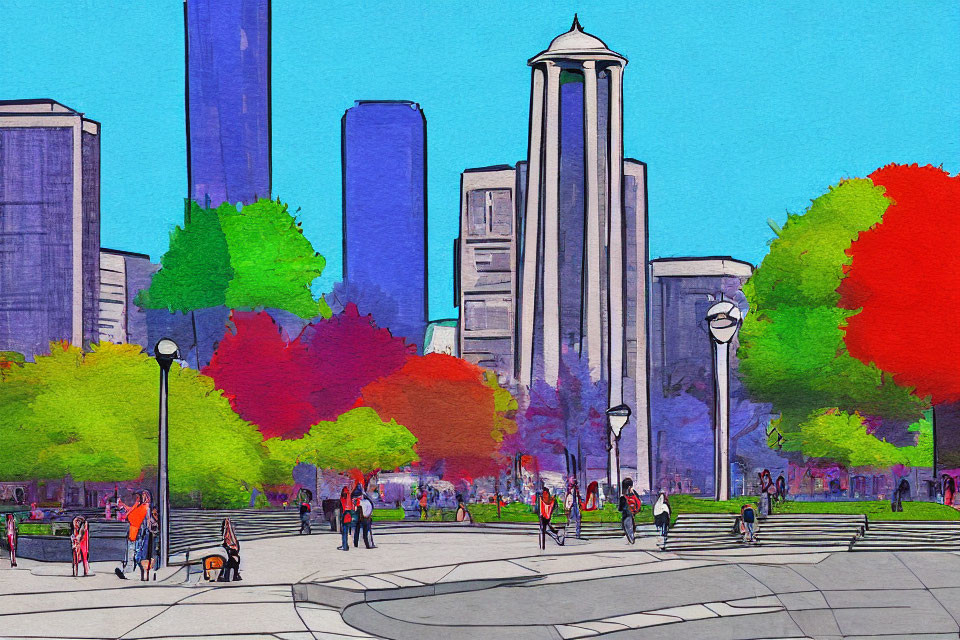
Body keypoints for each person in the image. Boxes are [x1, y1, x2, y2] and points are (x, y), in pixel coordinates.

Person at [115, 492, 147, 579]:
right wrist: (124, 506)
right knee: (130, 552)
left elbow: (130, 516)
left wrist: (125, 508)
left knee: (135, 553)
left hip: (137, 534)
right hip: (133, 533)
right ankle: (127, 569)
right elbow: (130, 512)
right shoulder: (139, 506)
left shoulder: (144, 507)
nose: (136, 499)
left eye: (138, 497)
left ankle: (130, 571)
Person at [133, 492, 158, 582]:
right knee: (145, 554)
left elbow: (148, 521)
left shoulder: (147, 508)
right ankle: (145, 574)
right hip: (145, 534)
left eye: (145, 497)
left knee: (144, 554)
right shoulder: (146, 508)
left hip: (146, 534)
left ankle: (145, 574)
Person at [618, 478, 643, 545]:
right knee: (631, 526)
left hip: (626, 515)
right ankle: (631, 539)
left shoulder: (623, 497)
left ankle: (631, 539)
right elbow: (639, 503)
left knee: (627, 526)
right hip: (632, 514)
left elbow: (620, 509)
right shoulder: (634, 495)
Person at [217, 517, 242, 581]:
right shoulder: (229, 536)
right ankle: (233, 576)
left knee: (229, 564)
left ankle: (230, 576)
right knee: (230, 564)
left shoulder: (228, 536)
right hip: (231, 553)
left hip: (231, 553)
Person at [337, 487, 353, 551]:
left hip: (345, 514)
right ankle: (345, 545)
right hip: (348, 514)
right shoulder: (349, 497)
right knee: (346, 531)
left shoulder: (343, 498)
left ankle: (345, 546)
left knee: (344, 531)